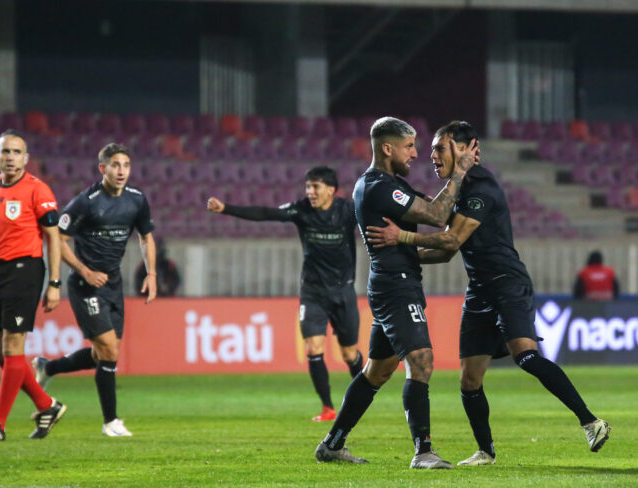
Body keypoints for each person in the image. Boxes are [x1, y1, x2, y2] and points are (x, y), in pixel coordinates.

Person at [366, 120, 610, 466]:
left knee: (525, 356)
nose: (431, 155)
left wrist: (402, 238)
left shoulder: (481, 187)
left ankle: (591, 422)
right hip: (479, 290)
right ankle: (486, 452)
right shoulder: (459, 189)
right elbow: (446, 250)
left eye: (440, 147)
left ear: (466, 149)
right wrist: (400, 256)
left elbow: (450, 240)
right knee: (469, 379)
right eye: (432, 149)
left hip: (507, 283)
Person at [314, 116, 477, 469]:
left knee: (377, 372)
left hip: (395, 280)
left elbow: (437, 217)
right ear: (387, 148)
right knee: (421, 362)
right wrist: (460, 172)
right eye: (409, 146)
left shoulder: (386, 185)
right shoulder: (378, 186)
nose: (416, 153)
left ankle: (332, 444)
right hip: (396, 286)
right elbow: (436, 214)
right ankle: (423, 452)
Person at [207, 166, 363, 422]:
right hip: (313, 293)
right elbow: (266, 213)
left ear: (331, 190)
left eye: (316, 187)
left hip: (343, 291)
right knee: (314, 347)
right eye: (308, 187)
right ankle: (328, 408)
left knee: (349, 354)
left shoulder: (347, 210)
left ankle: (363, 396)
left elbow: (377, 215)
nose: (310, 192)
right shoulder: (301, 210)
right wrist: (226, 208)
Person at [32, 142, 156, 437]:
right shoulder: (85, 202)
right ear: (102, 168)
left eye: (125, 165)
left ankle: (48, 368)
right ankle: (110, 422)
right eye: (115, 165)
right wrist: (85, 271)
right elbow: (57, 239)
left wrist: (151, 273)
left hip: (113, 284)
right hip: (86, 285)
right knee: (110, 350)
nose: (121, 170)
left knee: (104, 355)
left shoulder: (137, 200)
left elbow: (146, 236)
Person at [0, 130, 67, 441]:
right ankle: (47, 405)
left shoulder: (36, 189)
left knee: (12, 347)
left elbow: (53, 237)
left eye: (17, 152)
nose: (11, 158)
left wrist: (55, 282)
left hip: (25, 269)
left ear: (26, 159)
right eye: (6, 152)